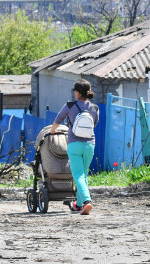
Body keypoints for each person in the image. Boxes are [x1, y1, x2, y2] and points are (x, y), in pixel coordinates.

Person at [49, 78, 99, 215]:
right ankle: (79, 204)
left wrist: (52, 131)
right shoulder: (94, 108)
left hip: (74, 144)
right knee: (83, 175)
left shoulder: (70, 106)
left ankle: (87, 201)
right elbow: (93, 125)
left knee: (78, 175)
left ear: (77, 92)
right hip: (90, 145)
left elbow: (58, 119)